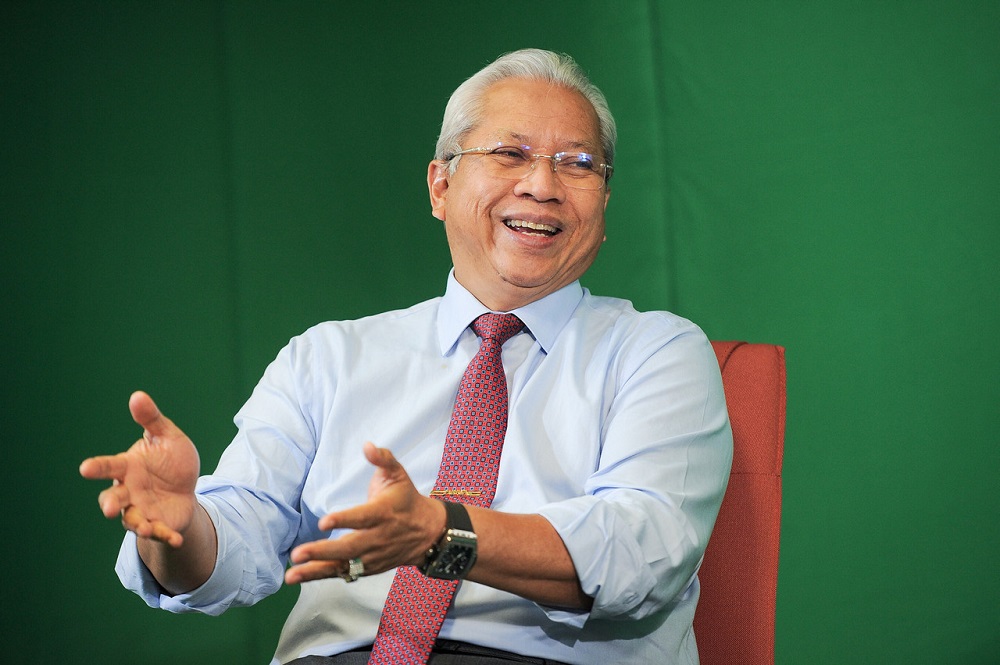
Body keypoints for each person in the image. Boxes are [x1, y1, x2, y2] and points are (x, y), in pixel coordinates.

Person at [80, 48, 732, 665]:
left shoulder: (657, 352)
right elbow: (235, 545)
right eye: (511, 153)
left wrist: (440, 531)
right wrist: (179, 526)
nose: (543, 184)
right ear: (440, 186)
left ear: (605, 202)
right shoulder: (329, 357)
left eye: (578, 162)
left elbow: (643, 549)